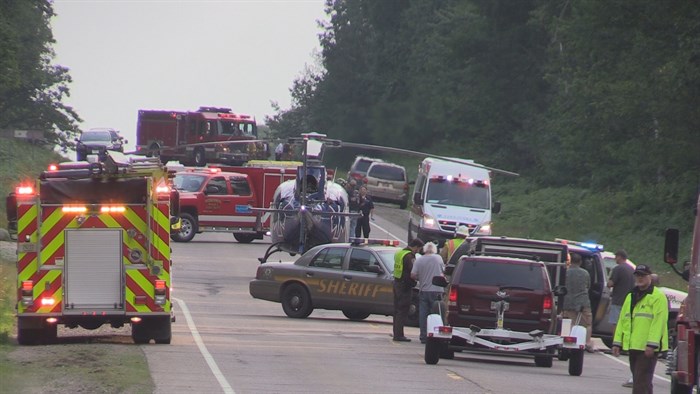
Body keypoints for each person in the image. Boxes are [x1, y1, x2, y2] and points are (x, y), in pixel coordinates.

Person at [612, 264, 669, 394]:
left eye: (643, 275)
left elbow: (658, 322)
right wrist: (617, 342)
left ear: (650, 277)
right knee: (642, 382)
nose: (640, 278)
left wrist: (652, 344)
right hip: (633, 346)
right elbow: (623, 320)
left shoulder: (657, 297)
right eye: (637, 275)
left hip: (647, 348)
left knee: (640, 383)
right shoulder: (631, 296)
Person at [411, 242, 445, 344]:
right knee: (436, 314)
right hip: (437, 290)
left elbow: (412, 275)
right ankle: (435, 336)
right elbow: (443, 271)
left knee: (423, 314)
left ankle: (423, 336)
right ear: (434, 250)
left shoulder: (419, 260)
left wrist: (420, 278)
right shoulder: (438, 258)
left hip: (424, 290)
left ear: (424, 250)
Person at [392, 238, 424, 342]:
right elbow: (413, 270)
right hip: (405, 286)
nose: (418, 251)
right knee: (403, 310)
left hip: (397, 283)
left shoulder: (400, 253)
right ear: (415, 247)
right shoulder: (409, 256)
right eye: (418, 249)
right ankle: (399, 335)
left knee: (397, 310)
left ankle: (396, 333)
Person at [562, 253, 595, 353]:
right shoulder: (585, 273)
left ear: (570, 261)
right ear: (580, 262)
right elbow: (588, 286)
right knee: (587, 324)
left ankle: (567, 341)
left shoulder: (565, 273)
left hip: (567, 302)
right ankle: (587, 343)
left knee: (570, 322)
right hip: (583, 303)